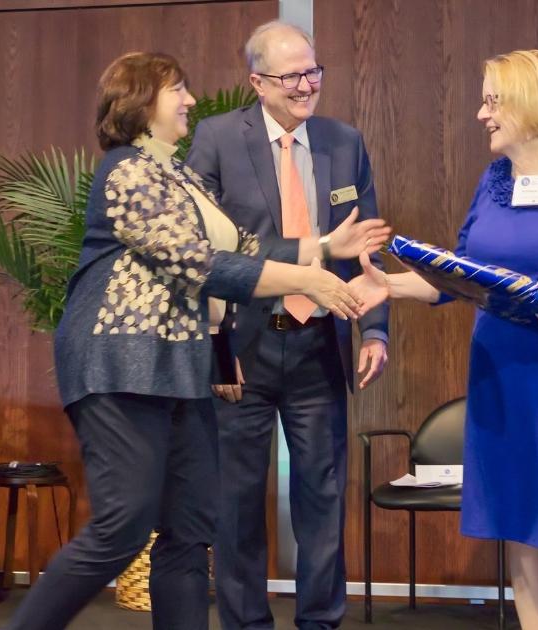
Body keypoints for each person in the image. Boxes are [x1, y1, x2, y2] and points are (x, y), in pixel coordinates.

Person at [3, 51, 389, 630]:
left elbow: (245, 249)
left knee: (188, 530)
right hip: (122, 365)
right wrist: (308, 280)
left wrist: (323, 251)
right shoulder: (126, 171)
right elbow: (200, 265)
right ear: (140, 102)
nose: (189, 100)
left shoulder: (178, 175)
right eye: (177, 90)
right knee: (121, 527)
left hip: (179, 370)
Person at [351, 49, 538, 630]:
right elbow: (459, 278)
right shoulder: (494, 182)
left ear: (528, 102)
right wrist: (387, 286)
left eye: (491, 100)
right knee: (518, 532)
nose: (480, 114)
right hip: (500, 372)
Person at [186, 21, 390, 630]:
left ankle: (320, 622)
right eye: (291, 76)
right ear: (257, 82)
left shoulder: (344, 141)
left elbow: (366, 249)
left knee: (323, 499)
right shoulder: (217, 139)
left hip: (319, 346)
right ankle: (247, 623)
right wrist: (218, 351)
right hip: (242, 350)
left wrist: (374, 329)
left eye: (313, 71)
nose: (306, 85)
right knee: (238, 503)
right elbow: (207, 255)